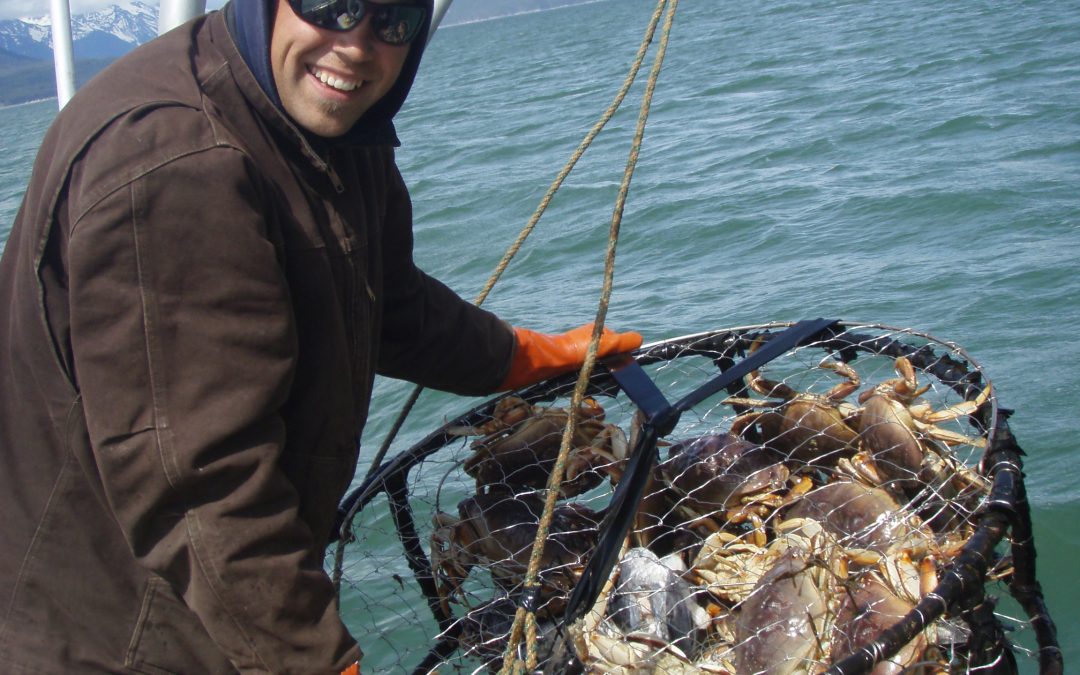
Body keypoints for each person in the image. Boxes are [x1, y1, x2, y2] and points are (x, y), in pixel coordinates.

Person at [0, 0, 641, 672]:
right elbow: (200, 485)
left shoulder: (325, 122)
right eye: (331, 6)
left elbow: (389, 302)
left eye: (392, 22)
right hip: (120, 632)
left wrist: (523, 355)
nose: (356, 44)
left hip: (220, 604)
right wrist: (315, 658)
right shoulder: (179, 164)